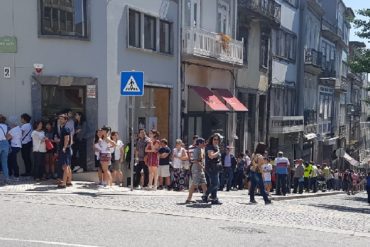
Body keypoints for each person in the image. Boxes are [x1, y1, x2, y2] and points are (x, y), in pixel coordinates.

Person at [202, 133, 223, 205]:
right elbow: (211, 156)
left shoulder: (216, 147)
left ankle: (214, 199)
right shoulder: (210, 147)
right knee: (215, 184)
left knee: (216, 183)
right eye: (214, 139)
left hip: (215, 168)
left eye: (217, 139)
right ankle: (205, 195)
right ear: (212, 139)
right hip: (211, 168)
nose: (216, 141)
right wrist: (218, 152)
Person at [186, 138, 208, 203]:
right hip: (196, 169)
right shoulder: (196, 150)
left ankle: (205, 196)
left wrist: (203, 167)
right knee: (194, 183)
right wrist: (202, 167)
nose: (204, 144)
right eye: (203, 143)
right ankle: (188, 199)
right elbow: (195, 160)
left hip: (200, 169)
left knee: (204, 182)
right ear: (200, 143)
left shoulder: (202, 150)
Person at [56, 114, 73, 188]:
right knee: (67, 166)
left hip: (65, 149)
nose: (60, 120)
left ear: (66, 120)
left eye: (62, 119)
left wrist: (64, 147)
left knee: (65, 166)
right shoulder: (63, 128)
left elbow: (67, 138)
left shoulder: (65, 128)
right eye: (59, 119)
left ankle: (64, 183)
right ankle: (69, 181)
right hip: (65, 149)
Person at [0, 114, 11, 183]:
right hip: (5, 144)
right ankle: (7, 179)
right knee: (4, 162)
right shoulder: (7, 126)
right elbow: (9, 136)